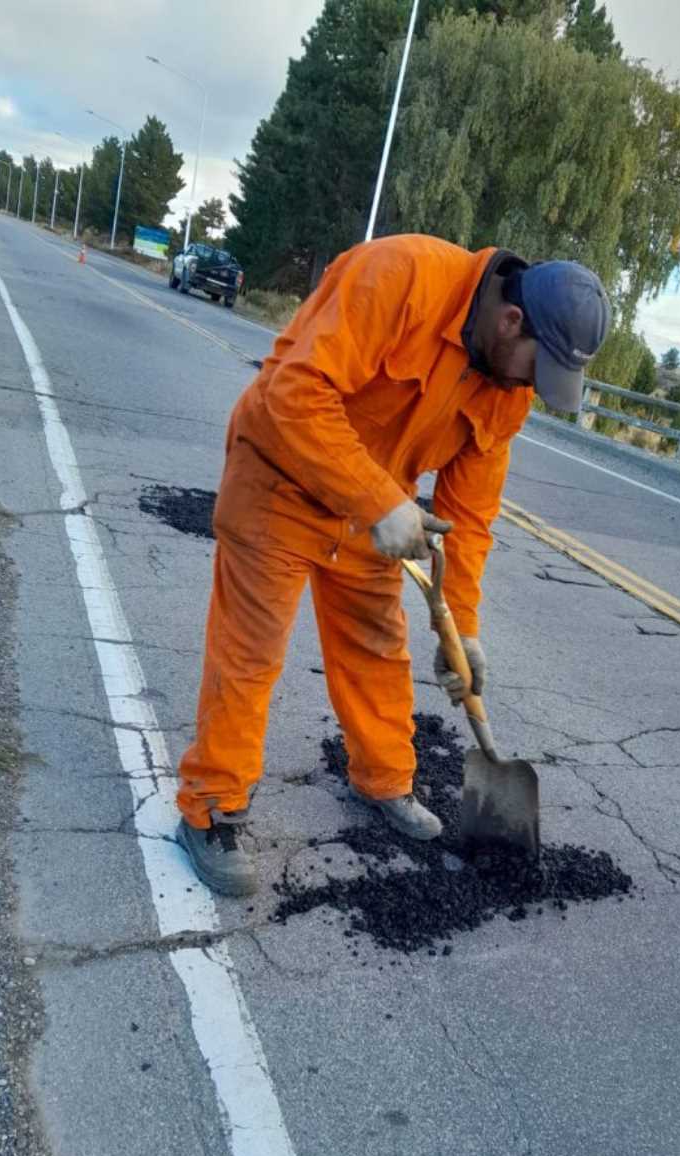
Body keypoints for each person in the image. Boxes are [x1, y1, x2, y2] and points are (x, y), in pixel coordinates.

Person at [175, 233, 612, 896]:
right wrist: (380, 499)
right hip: (282, 476)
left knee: (377, 645)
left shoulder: (507, 388)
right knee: (252, 651)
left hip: (372, 508)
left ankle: (385, 781)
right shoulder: (402, 277)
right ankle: (212, 807)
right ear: (511, 320)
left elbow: (469, 519)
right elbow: (293, 393)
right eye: (536, 367)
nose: (532, 386)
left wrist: (461, 629)